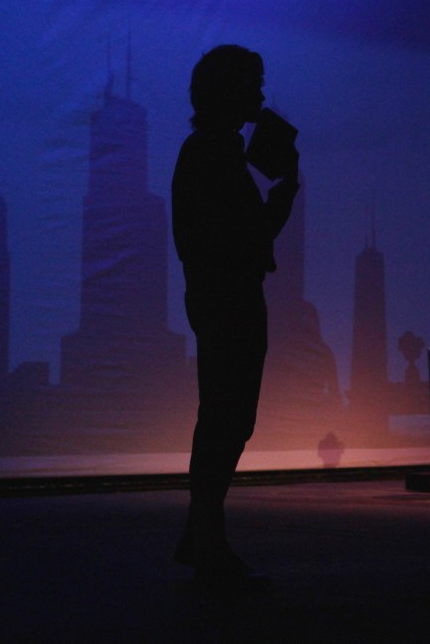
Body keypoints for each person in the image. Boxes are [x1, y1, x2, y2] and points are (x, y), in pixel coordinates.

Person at [171, 45, 299, 589]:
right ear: (231, 90)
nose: (261, 94)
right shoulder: (213, 153)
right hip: (229, 299)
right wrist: (286, 190)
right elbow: (248, 235)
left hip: (219, 297)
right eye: (254, 83)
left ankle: (201, 533)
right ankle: (208, 538)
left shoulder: (209, 149)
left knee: (225, 417)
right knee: (228, 418)